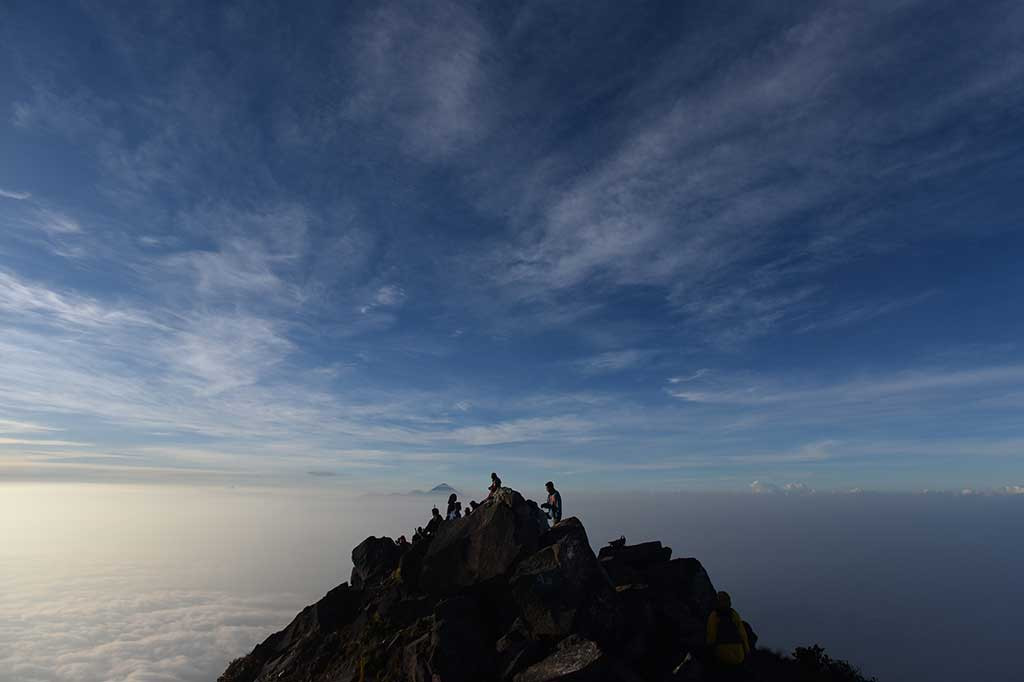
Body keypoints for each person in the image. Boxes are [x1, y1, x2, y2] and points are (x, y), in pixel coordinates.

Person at [705, 591, 751, 679]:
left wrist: (709, 652)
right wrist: (747, 652)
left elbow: (711, 636)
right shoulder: (734, 614)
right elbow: (743, 634)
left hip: (723, 655)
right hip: (739, 655)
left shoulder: (714, 615)